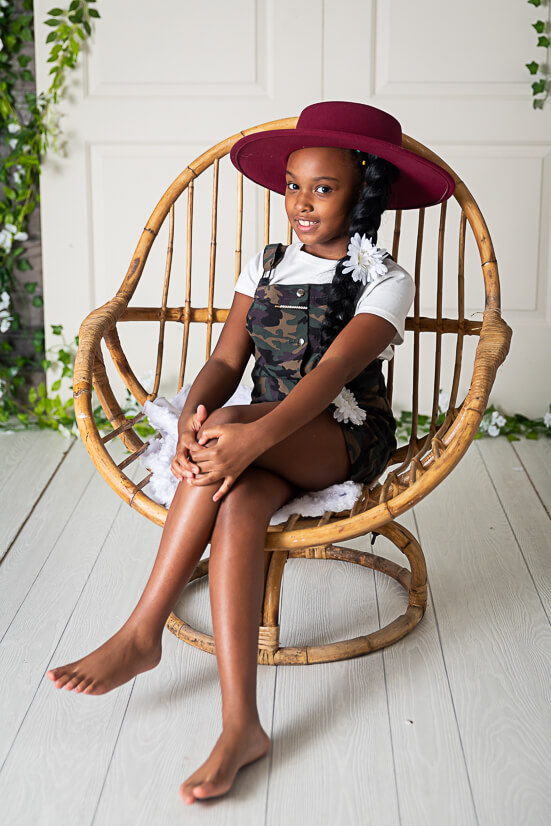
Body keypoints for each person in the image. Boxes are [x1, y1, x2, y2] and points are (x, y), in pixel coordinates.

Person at [46, 101, 455, 804]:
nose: (300, 202)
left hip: (338, 432)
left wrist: (237, 432)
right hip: (252, 435)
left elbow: (327, 382)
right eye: (293, 185)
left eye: (322, 188)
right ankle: (242, 726)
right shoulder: (266, 262)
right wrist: (194, 427)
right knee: (235, 506)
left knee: (230, 439)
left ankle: (143, 628)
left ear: (362, 188)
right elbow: (227, 355)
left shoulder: (383, 277)